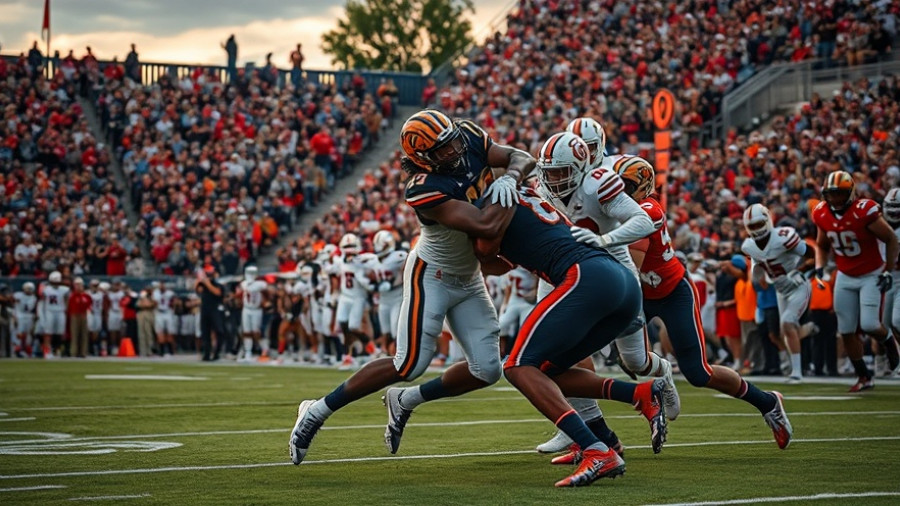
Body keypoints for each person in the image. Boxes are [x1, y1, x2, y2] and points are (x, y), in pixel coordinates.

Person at [289, 109, 534, 465]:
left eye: (453, 142)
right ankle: (316, 410)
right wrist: (512, 190)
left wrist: (511, 176)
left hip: (468, 278)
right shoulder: (424, 188)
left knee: (487, 370)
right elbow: (485, 225)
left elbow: (521, 157)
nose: (454, 151)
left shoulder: (467, 136)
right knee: (408, 363)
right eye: (443, 149)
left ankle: (406, 400)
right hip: (431, 275)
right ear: (422, 158)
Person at [473, 155, 667, 487]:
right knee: (548, 370)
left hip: (586, 276)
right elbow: (502, 262)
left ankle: (596, 450)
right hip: (617, 282)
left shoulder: (495, 200)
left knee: (517, 366)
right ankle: (639, 395)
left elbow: (488, 250)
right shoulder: (523, 193)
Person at [618, 157, 793, 450]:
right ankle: (662, 379)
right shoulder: (618, 208)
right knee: (629, 358)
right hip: (643, 292)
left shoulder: (647, 210)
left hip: (672, 292)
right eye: (616, 186)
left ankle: (767, 402)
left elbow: (629, 269)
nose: (619, 192)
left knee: (698, 373)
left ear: (643, 185)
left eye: (626, 186)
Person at [533, 123, 677, 457]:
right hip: (562, 274)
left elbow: (644, 221)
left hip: (613, 276)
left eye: (561, 172)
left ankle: (662, 373)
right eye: (550, 172)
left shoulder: (601, 181)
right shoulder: (543, 186)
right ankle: (579, 428)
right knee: (554, 354)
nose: (554, 180)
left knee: (636, 361)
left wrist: (605, 240)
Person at [812, 170, 900, 391]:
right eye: (831, 194)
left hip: (871, 273)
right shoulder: (821, 213)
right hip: (845, 274)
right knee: (846, 330)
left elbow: (890, 238)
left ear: (850, 193)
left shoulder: (864, 211)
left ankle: (889, 341)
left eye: (839, 193)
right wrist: (820, 265)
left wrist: (888, 270)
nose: (835, 199)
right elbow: (821, 245)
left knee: (870, 324)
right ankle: (864, 376)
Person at [741, 204, 816, 383]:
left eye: (759, 224)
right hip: (780, 290)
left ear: (768, 220)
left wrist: (800, 270)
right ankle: (807, 330)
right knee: (785, 331)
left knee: (787, 323)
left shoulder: (784, 237)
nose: (756, 229)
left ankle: (796, 373)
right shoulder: (749, 246)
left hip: (798, 285)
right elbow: (758, 265)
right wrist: (758, 275)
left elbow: (812, 254)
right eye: (752, 226)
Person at [372, 230, 407, 356]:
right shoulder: (374, 260)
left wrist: (397, 280)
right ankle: (387, 355)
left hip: (397, 297)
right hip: (383, 299)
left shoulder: (399, 256)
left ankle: (400, 355)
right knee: (385, 331)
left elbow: (409, 266)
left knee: (395, 330)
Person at [239, 265, 268, 361]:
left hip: (256, 309)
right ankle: (248, 352)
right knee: (246, 331)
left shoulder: (261, 283)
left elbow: (263, 289)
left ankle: (264, 349)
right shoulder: (244, 283)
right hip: (246, 309)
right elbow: (245, 288)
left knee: (256, 332)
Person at [197, 265, 225, 361]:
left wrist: (208, 283)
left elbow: (218, 292)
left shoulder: (218, 283)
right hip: (205, 309)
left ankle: (217, 352)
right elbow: (198, 289)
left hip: (215, 309)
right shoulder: (202, 284)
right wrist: (200, 280)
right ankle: (207, 353)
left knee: (219, 331)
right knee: (205, 332)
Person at [40, 271, 70, 358]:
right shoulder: (46, 289)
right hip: (49, 311)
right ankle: (47, 351)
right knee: (48, 332)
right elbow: (42, 302)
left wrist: (66, 310)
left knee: (60, 333)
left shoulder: (64, 289)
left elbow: (66, 301)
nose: (55, 284)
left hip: (60, 311)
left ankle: (57, 350)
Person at [68, 278, 92, 358]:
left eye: (80, 285)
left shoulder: (86, 296)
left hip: (83, 315)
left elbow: (89, 306)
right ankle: (74, 352)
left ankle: (83, 352)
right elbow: (69, 306)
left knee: (84, 334)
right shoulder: (72, 296)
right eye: (76, 285)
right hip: (74, 315)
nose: (78, 287)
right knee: (75, 334)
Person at [13, 282, 37, 357]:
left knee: (28, 334)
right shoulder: (18, 295)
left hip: (29, 315)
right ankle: (17, 349)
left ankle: (27, 350)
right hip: (19, 314)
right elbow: (12, 301)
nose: (28, 290)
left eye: (30, 289)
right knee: (19, 333)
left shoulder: (34, 297)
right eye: (27, 289)